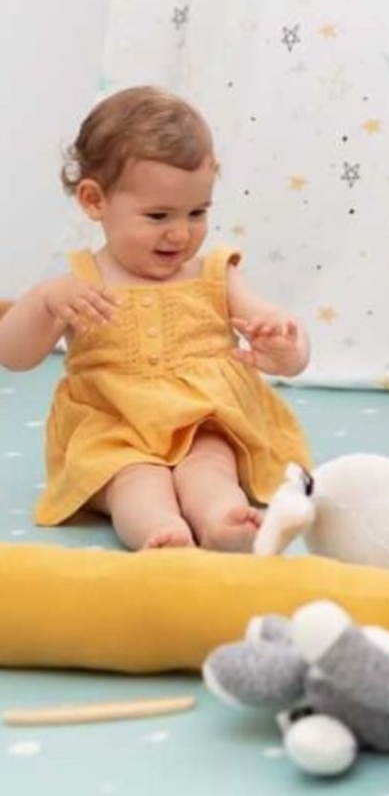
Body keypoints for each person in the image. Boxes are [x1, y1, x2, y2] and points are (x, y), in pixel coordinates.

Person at [0, 86, 312, 550]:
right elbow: (13, 355)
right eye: (158, 215)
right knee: (133, 478)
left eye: (197, 212)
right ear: (94, 200)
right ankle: (160, 530)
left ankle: (222, 519)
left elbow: (284, 340)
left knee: (211, 463)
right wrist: (44, 302)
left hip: (204, 418)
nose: (181, 233)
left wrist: (284, 345)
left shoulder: (216, 274)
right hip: (115, 427)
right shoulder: (80, 285)